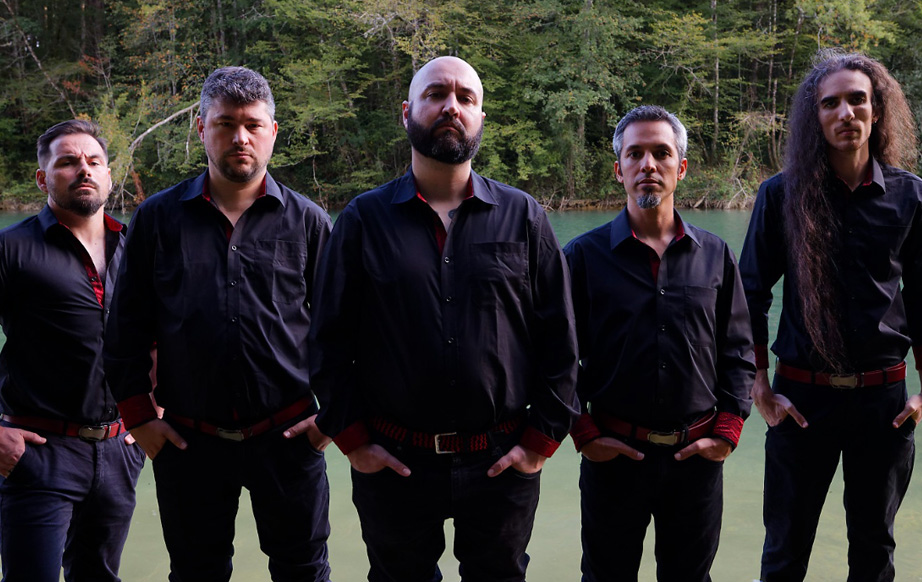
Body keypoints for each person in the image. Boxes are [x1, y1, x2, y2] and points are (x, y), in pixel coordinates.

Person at [309, 55, 579, 582]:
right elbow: (328, 340)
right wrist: (354, 440)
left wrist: (539, 443)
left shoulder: (523, 216)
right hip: (394, 463)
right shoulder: (363, 219)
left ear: (480, 118)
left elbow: (560, 339)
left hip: (501, 460)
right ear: (407, 112)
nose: (451, 106)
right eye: (435, 94)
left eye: (465, 97)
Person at [104, 66, 332, 581]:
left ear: (273, 132)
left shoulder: (309, 222)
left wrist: (330, 421)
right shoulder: (157, 219)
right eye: (226, 123)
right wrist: (139, 418)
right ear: (202, 128)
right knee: (195, 571)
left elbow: (342, 332)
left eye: (253, 125)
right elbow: (126, 328)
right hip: (189, 440)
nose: (240, 137)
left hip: (289, 436)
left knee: (303, 569)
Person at [740, 50, 922, 582]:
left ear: (877, 109)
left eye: (857, 99)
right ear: (814, 117)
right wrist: (758, 385)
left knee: (874, 551)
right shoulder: (781, 195)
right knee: (784, 552)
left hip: (884, 404)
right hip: (801, 400)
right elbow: (749, 293)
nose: (846, 113)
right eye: (830, 103)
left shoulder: (910, 196)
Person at [564, 105, 755, 582]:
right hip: (613, 458)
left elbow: (738, 349)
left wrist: (728, 431)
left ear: (681, 167)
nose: (648, 164)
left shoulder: (716, 255)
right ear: (619, 169)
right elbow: (558, 356)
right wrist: (583, 432)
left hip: (697, 458)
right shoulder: (583, 257)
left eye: (661, 153)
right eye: (635, 154)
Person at [0, 120, 145, 581]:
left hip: (120, 450)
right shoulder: (11, 248)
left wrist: (157, 408)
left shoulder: (137, 247)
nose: (84, 169)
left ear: (108, 176)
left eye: (94, 161)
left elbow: (163, 332)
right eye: (67, 162)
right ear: (42, 179)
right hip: (38, 452)